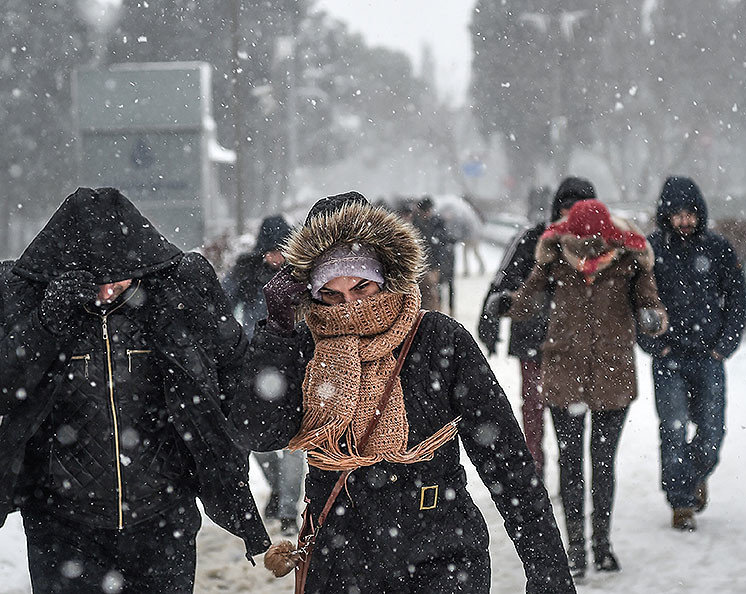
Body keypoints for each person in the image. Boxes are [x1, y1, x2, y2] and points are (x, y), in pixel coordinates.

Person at [230, 192, 575, 593]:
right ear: (311, 292)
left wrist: (547, 569)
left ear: (387, 276)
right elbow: (259, 431)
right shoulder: (304, 345)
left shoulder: (438, 340)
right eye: (332, 295)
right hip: (341, 560)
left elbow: (507, 461)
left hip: (442, 556)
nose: (350, 307)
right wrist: (277, 332)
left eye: (362, 288)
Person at [0, 187, 269, 593]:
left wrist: (230, 452)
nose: (107, 290)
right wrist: (46, 325)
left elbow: (235, 370)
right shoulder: (24, 296)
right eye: (95, 280)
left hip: (163, 517)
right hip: (62, 524)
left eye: (117, 278)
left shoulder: (179, 293)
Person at [507, 196, 668, 577]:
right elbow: (526, 304)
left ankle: (601, 544)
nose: (586, 252)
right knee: (571, 463)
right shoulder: (555, 261)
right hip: (565, 373)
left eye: (595, 242)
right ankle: (576, 549)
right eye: (579, 243)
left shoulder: (629, 262)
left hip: (613, 374)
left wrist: (651, 317)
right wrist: (507, 303)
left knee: (603, 462)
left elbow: (653, 306)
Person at [637, 176, 746, 531]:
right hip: (669, 356)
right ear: (666, 215)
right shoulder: (651, 251)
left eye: (690, 214)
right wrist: (656, 344)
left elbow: (737, 299)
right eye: (677, 214)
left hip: (708, 356)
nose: (684, 221)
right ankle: (681, 502)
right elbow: (637, 301)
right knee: (673, 429)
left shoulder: (718, 249)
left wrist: (723, 347)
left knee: (712, 431)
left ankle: (696, 473)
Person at [477, 179, 589, 475]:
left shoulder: (597, 247)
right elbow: (504, 281)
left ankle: (569, 474)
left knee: (569, 419)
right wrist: (490, 321)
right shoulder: (532, 239)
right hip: (533, 342)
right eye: (566, 208)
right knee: (534, 412)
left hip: (572, 349)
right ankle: (534, 471)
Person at [223, 214, 306, 535]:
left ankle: (288, 510)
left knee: (292, 443)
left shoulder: (301, 274)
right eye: (271, 250)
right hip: (253, 365)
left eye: (282, 249)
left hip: (294, 366)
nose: (276, 257)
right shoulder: (246, 271)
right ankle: (278, 490)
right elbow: (221, 304)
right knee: (253, 440)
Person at [412, 195, 454, 313]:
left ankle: (441, 310)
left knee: (439, 287)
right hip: (423, 262)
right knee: (428, 290)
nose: (426, 214)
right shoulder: (416, 223)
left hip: (436, 261)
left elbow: (441, 244)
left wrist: (436, 265)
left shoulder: (437, 223)